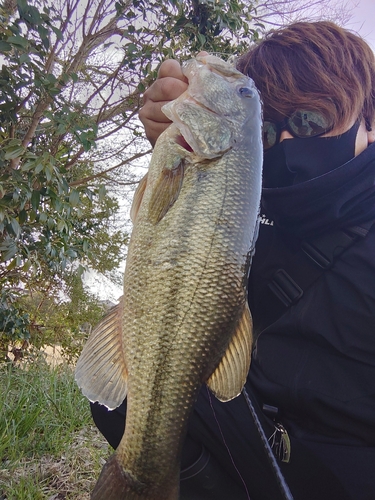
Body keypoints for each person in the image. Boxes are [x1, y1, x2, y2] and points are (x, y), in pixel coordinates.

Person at [91, 21, 375, 500]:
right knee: (119, 404)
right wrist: (174, 156)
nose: (286, 143)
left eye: (310, 121)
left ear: (369, 118)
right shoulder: (254, 208)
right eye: (264, 132)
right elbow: (191, 254)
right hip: (248, 449)